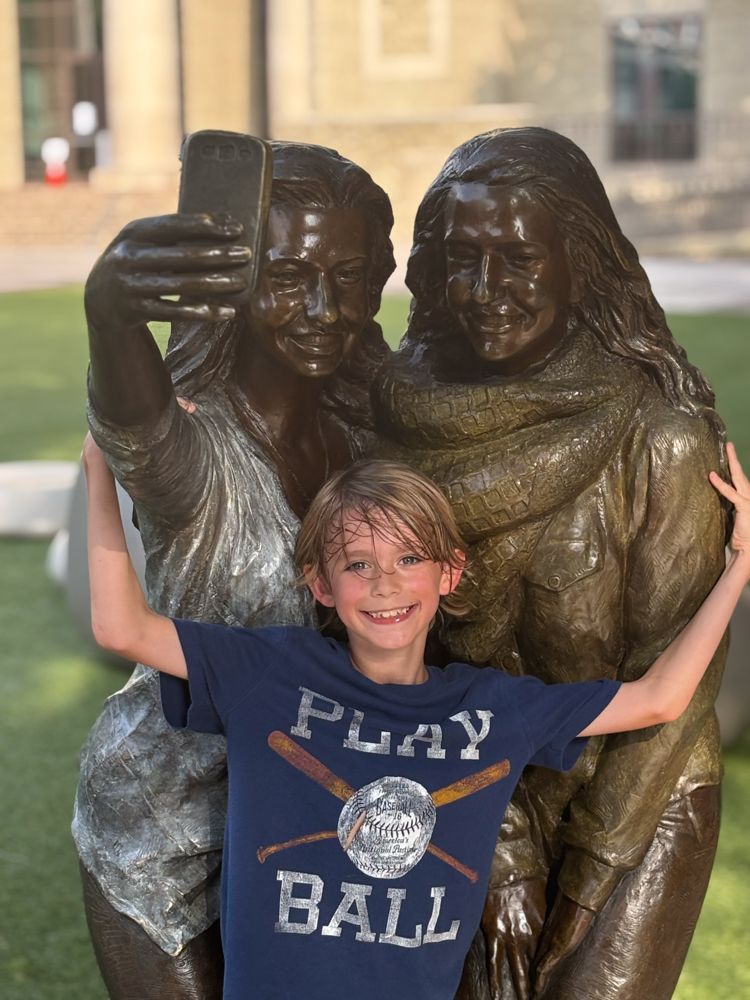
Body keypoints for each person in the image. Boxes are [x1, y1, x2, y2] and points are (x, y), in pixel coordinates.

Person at [81, 436, 749, 1000]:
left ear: (449, 573)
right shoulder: (270, 675)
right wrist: (98, 475)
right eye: (357, 565)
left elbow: (660, 697)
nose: (384, 584)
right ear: (320, 583)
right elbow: (121, 628)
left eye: (408, 560)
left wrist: (738, 568)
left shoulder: (492, 710)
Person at [372, 127, 730, 999]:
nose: (486, 291)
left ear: (581, 263)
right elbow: (395, 665)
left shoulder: (664, 436)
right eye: (464, 259)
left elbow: (672, 692)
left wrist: (585, 882)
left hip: (637, 787)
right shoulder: (392, 425)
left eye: (519, 259)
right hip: (467, 792)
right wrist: (502, 854)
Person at [72, 141, 395, 999]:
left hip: (308, 839)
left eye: (349, 276)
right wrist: (110, 311)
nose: (323, 307)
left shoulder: (372, 442)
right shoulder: (197, 444)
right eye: (287, 275)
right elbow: (135, 421)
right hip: (161, 835)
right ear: (235, 285)